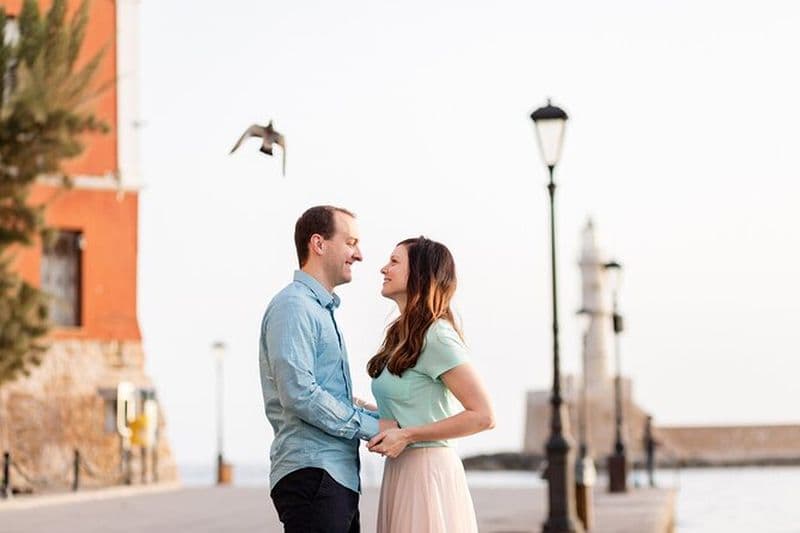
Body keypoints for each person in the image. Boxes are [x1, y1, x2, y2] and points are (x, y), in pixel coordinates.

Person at [259, 205, 397, 533]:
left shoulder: (318, 310)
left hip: (332, 476)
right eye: (350, 242)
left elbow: (324, 392)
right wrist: (372, 425)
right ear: (318, 244)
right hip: (314, 475)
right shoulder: (294, 306)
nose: (359, 254)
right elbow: (300, 393)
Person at [367, 236, 495, 533]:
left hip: (427, 473)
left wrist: (408, 435)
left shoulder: (437, 336)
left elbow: (483, 416)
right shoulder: (401, 335)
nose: (383, 268)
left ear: (420, 274)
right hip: (402, 470)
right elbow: (414, 411)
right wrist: (369, 412)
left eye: (395, 261)